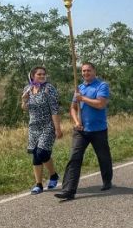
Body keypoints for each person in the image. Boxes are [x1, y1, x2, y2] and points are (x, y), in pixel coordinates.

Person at [55, 62, 112, 201]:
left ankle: (107, 180)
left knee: (103, 157)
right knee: (74, 157)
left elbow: (100, 104)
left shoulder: (101, 85)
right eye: (83, 71)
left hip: (98, 129)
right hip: (81, 130)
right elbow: (73, 108)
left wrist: (83, 98)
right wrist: (76, 121)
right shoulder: (78, 88)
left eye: (88, 70)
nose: (86, 73)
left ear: (94, 71)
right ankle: (68, 190)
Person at [21, 66, 63, 195]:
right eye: (39, 74)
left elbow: (55, 109)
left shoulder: (49, 89)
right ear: (33, 76)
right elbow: (25, 108)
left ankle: (53, 175)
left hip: (48, 125)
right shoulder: (28, 89)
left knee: (42, 152)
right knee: (35, 154)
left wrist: (58, 128)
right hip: (33, 127)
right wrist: (23, 100)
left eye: (44, 74)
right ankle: (38, 184)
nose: (42, 76)